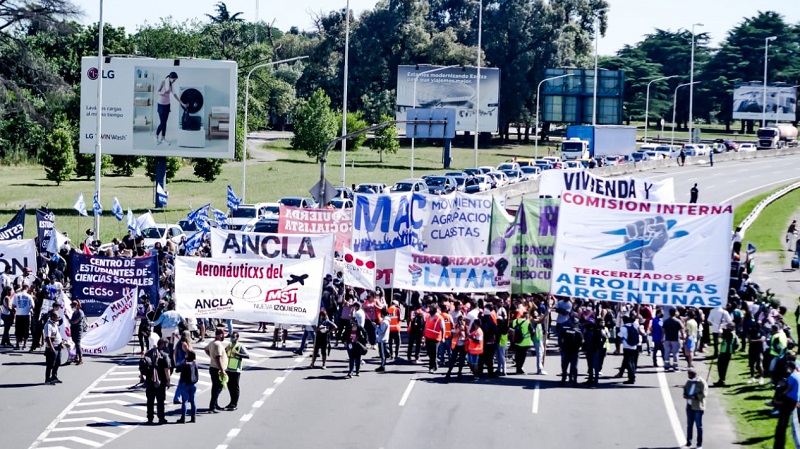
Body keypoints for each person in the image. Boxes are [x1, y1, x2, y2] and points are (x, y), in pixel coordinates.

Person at [144, 338, 172, 424]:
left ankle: (150, 418)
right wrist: (168, 381)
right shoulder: (164, 355)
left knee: (150, 400)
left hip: (149, 380)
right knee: (160, 401)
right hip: (161, 381)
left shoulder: (149, 353)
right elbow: (166, 370)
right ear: (163, 345)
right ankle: (161, 418)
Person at [155, 71, 186, 146]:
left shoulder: (172, 85)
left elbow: (175, 95)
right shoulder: (163, 82)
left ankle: (163, 138)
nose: (174, 81)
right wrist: (162, 93)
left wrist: (182, 103)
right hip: (161, 105)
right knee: (163, 122)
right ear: (170, 77)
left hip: (167, 105)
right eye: (174, 79)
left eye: (175, 80)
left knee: (164, 122)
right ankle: (156, 136)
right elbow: (157, 91)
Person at [204, 328, 228, 413]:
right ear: (219, 335)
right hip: (217, 369)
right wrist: (222, 370)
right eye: (222, 335)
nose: (223, 336)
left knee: (215, 387)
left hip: (213, 367)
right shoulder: (217, 344)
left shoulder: (212, 343)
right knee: (218, 388)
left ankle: (215, 404)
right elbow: (218, 357)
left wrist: (211, 356)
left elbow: (205, 349)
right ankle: (212, 406)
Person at [224, 331, 249, 411]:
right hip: (228, 368)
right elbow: (223, 353)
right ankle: (231, 402)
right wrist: (225, 351)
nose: (232, 338)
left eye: (233, 337)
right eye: (231, 337)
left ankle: (234, 404)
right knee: (230, 386)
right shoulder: (229, 345)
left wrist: (238, 354)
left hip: (236, 370)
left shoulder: (240, 346)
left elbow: (247, 356)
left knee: (235, 387)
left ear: (237, 337)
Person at [683, 368, 707, 449]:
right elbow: (685, 389)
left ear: (693, 375)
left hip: (698, 407)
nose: (688, 376)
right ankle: (688, 442)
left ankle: (699, 444)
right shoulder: (689, 381)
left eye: (689, 374)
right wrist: (685, 395)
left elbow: (704, 394)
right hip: (689, 406)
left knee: (698, 426)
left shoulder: (702, 383)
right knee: (689, 425)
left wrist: (694, 396)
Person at [615, 315, 642, 384]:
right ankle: (631, 375)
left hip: (627, 347)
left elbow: (619, 338)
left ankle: (631, 378)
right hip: (634, 346)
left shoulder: (623, 328)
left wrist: (618, 349)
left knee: (628, 363)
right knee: (632, 362)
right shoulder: (634, 325)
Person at [560, 314, 583, 385]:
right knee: (564, 366)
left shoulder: (579, 327)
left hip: (574, 351)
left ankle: (574, 380)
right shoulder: (564, 326)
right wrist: (561, 346)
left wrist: (578, 347)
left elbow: (581, 339)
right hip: (566, 350)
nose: (574, 324)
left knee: (574, 367)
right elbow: (560, 337)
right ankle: (564, 378)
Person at [176, 351, 199, 424]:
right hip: (193, 384)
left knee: (184, 401)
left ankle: (183, 418)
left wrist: (183, 361)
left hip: (185, 384)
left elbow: (177, 369)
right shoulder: (195, 364)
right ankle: (193, 417)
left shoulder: (185, 364)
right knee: (193, 401)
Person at [510, 310, 534, 374]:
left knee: (517, 355)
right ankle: (519, 368)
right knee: (522, 356)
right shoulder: (527, 322)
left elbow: (511, 328)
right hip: (525, 342)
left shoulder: (515, 321)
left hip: (516, 341)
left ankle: (517, 368)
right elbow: (533, 331)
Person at [423, 305, 445, 374]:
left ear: (434, 310)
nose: (429, 310)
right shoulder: (428, 317)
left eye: (431, 309)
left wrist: (443, 337)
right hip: (428, 337)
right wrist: (423, 336)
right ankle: (435, 365)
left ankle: (432, 367)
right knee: (429, 353)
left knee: (434, 353)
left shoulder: (440, 318)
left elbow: (443, 328)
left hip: (436, 338)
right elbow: (426, 326)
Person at [43, 311, 63, 384]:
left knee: (58, 362)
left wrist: (60, 343)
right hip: (52, 348)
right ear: (52, 317)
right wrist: (52, 348)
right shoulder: (48, 325)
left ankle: (54, 376)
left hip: (58, 346)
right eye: (57, 317)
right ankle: (47, 379)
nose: (58, 319)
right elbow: (48, 338)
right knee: (50, 364)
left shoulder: (55, 324)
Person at [12, 284, 33, 350]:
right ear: (27, 288)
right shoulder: (29, 296)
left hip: (18, 314)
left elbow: (13, 305)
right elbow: (32, 306)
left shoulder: (16, 295)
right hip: (26, 315)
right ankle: (24, 345)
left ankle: (17, 344)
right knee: (26, 330)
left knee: (18, 330)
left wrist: (18, 307)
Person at [68, 299, 86, 365]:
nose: (72, 308)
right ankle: (76, 356)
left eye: (73, 306)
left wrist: (69, 320)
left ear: (76, 306)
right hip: (73, 328)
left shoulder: (80, 312)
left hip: (78, 328)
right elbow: (72, 321)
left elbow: (75, 321)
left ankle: (80, 358)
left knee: (77, 343)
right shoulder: (74, 313)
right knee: (74, 342)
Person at [376, 308, 391, 372]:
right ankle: (382, 364)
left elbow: (381, 331)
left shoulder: (384, 322)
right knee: (383, 353)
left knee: (382, 354)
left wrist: (376, 327)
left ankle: (383, 365)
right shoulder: (386, 321)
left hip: (382, 339)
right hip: (384, 339)